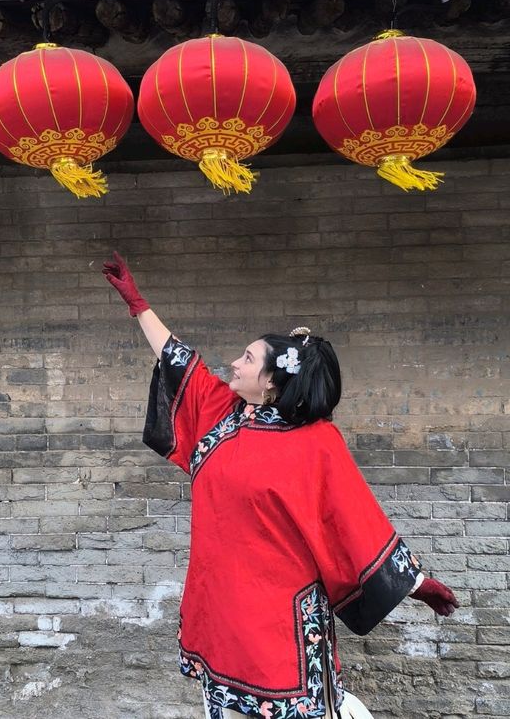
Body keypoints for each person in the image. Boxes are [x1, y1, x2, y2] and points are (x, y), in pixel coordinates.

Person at [102, 253, 459, 719]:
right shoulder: (223, 415)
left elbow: (352, 518)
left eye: (246, 358)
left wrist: (413, 582)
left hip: (280, 619)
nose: (233, 362)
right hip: (220, 605)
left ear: (271, 381)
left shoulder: (315, 443)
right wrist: (138, 304)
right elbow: (179, 362)